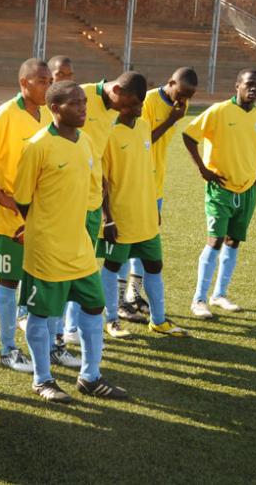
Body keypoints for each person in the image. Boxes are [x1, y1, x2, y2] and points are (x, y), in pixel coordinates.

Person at [14, 80, 128, 403]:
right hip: (47, 250)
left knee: (94, 306)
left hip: (80, 248)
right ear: (54, 108)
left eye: (84, 102)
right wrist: (42, 227)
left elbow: (96, 190)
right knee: (41, 313)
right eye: (75, 103)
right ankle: (42, 379)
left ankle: (90, 377)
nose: (83, 108)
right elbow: (22, 199)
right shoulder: (38, 146)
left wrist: (97, 221)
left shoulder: (87, 142)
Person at [0, 58, 52, 373]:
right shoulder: (7, 113)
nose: (47, 86)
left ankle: (34, 340)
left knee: (31, 277)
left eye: (49, 81)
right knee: (9, 280)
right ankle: (8, 351)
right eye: (41, 80)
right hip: (7, 218)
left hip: (34, 215)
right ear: (24, 83)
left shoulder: (42, 116)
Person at [61, 72, 155, 343]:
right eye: (127, 104)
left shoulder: (112, 112)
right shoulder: (81, 95)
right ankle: (58, 331)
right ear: (116, 90)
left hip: (91, 200)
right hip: (67, 199)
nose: (128, 111)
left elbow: (96, 154)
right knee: (65, 266)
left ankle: (70, 328)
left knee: (83, 266)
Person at [98, 72, 189, 339]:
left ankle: (158, 320)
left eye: (141, 105)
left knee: (154, 266)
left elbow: (146, 169)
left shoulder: (142, 127)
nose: (139, 109)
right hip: (120, 218)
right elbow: (102, 181)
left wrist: (153, 208)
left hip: (146, 216)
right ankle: (111, 319)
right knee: (112, 267)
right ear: (121, 101)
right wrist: (108, 218)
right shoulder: (109, 133)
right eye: (135, 105)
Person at [184, 69, 256, 318]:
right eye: (249, 84)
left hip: (247, 189)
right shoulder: (219, 111)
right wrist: (203, 169)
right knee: (214, 240)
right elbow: (189, 136)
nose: (254, 89)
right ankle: (199, 299)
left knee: (233, 240)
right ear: (237, 85)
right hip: (220, 187)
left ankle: (219, 294)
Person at [120, 67, 198, 321]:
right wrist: (172, 120)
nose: (183, 100)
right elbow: (144, 139)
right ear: (170, 82)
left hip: (156, 184)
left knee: (146, 244)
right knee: (122, 244)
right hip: (134, 183)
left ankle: (134, 294)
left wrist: (176, 114)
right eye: (181, 93)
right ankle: (119, 301)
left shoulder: (180, 106)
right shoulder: (148, 101)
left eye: (188, 96)